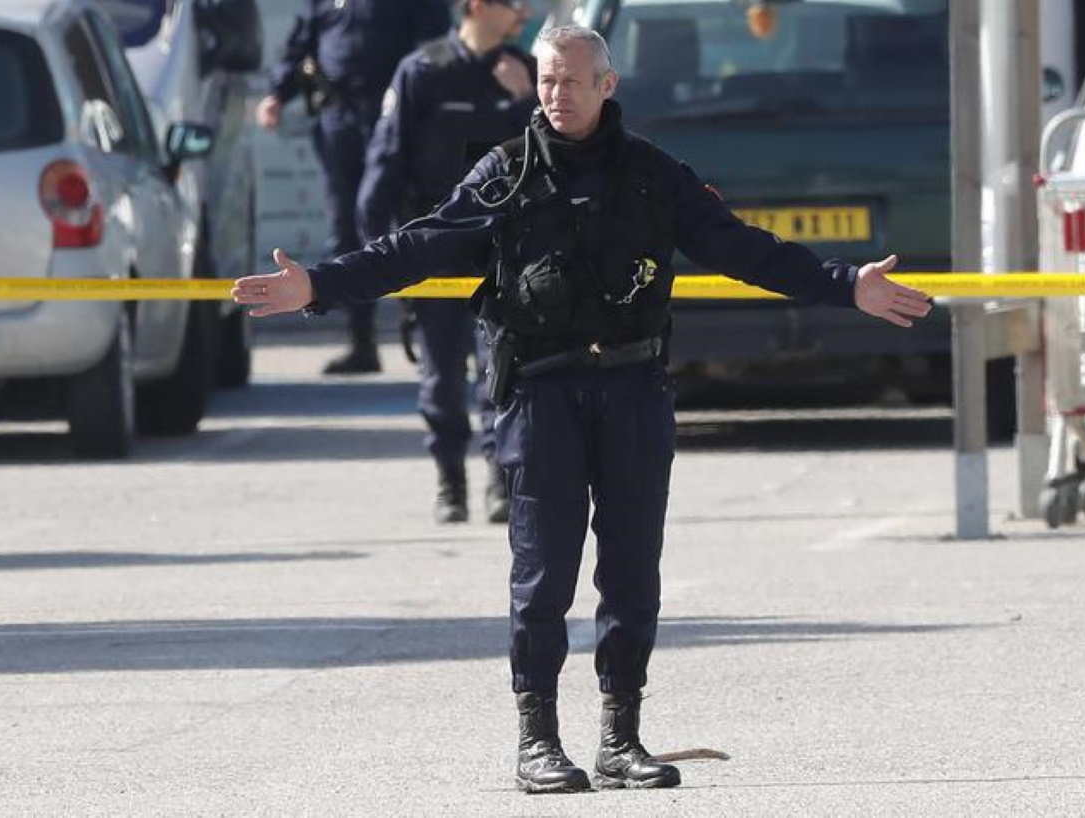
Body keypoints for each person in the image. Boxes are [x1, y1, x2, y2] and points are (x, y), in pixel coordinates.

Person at [233, 25, 932, 794]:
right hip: (541, 394)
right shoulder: (503, 174)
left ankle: (620, 735)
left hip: (635, 389)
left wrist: (845, 285)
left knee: (632, 573)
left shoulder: (652, 176)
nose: (556, 96)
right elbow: (416, 247)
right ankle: (538, 740)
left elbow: (746, 250)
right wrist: (318, 287)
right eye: (545, 82)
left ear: (608, 84)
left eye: (572, 81)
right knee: (544, 576)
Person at [357, 0, 536, 524]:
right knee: (440, 374)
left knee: (501, 371)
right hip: (437, 250)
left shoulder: (523, 72)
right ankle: (450, 483)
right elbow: (384, 162)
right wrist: (377, 255)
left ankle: (500, 481)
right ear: (478, 6)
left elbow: (555, 150)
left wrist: (525, 100)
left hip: (506, 252)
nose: (523, 10)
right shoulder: (422, 71)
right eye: (513, 2)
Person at [255, 0, 452, 375]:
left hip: (398, 120)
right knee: (347, 230)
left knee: (417, 227)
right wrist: (278, 94)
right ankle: (361, 343)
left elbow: (436, 47)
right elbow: (303, 42)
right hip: (339, 115)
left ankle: (434, 345)